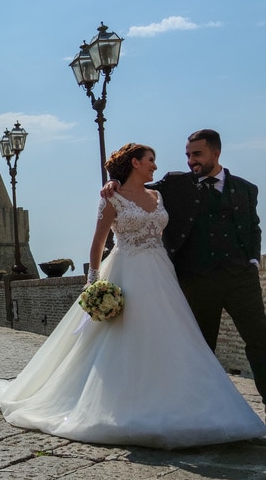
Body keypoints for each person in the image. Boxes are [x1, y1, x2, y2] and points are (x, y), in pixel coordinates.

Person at [0, 143, 265, 449]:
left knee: (175, 338)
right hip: (127, 271)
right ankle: (126, 403)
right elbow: (97, 243)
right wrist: (93, 283)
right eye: (150, 159)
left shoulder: (161, 194)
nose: (157, 164)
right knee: (126, 338)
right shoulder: (113, 197)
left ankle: (188, 402)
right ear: (135, 163)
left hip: (163, 275)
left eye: (194, 154)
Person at [103, 129, 266, 409]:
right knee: (200, 349)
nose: (191, 161)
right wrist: (113, 182)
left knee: (260, 341)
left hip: (241, 278)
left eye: (197, 154)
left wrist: (252, 260)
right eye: (188, 155)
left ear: (216, 153)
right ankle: (204, 409)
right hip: (197, 280)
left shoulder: (246, 189)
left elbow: (253, 228)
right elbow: (136, 191)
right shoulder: (175, 184)